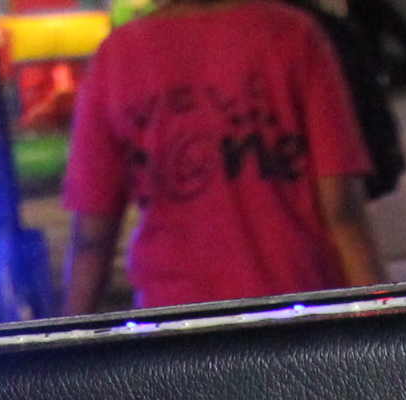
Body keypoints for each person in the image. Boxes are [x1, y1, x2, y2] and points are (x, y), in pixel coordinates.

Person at [62, 0, 386, 314]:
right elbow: (342, 210)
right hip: (299, 306)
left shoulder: (118, 56)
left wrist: (66, 337)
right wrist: (381, 319)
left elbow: (92, 240)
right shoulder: (293, 34)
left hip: (177, 316)